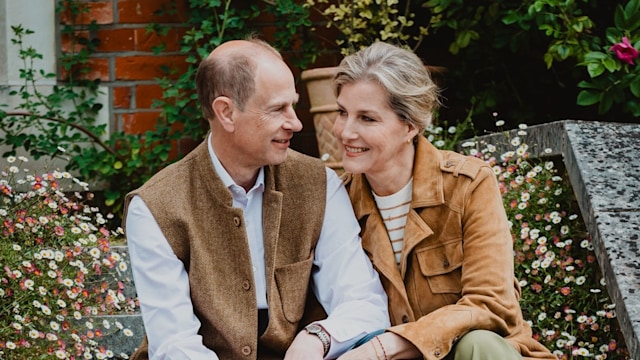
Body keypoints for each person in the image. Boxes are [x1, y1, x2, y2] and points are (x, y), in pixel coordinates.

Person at [123, 36, 390, 360]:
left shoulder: (318, 184)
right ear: (226, 113)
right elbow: (175, 345)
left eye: (292, 104)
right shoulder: (155, 207)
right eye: (278, 109)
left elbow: (364, 302)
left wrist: (317, 338)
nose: (295, 122)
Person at [332, 42, 556, 360]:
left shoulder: (468, 184)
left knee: (477, 343)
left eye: (367, 118)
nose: (345, 131)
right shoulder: (336, 202)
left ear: (410, 126)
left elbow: (490, 303)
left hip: (477, 354)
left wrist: (386, 346)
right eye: (342, 112)